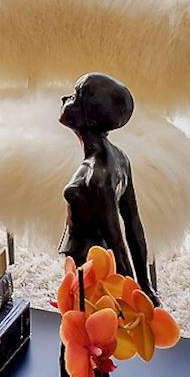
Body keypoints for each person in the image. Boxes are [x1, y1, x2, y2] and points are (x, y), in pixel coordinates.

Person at [59, 72, 156, 303]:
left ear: (90, 120)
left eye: (74, 97)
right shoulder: (120, 158)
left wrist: (133, 296)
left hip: (88, 267)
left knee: (83, 326)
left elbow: (117, 241)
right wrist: (144, 285)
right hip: (93, 264)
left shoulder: (95, 176)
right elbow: (133, 225)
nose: (64, 98)